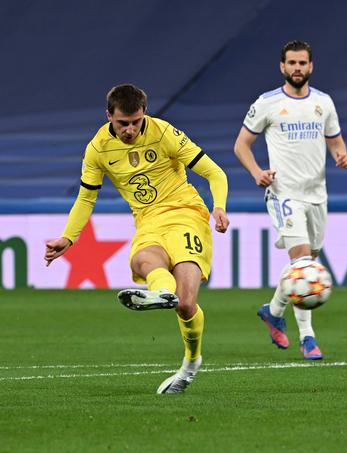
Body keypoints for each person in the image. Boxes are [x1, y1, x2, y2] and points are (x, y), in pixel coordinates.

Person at [44, 84, 229, 393]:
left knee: (186, 305)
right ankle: (160, 293)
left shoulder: (163, 132)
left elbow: (215, 173)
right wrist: (68, 237)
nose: (131, 129)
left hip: (186, 213)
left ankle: (191, 362)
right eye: (123, 123)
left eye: (136, 121)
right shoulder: (98, 149)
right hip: (147, 221)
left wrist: (219, 207)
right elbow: (86, 199)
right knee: (142, 260)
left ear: (144, 114)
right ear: (108, 117)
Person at [233, 40, 347, 360]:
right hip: (284, 194)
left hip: (317, 195)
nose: (297, 68)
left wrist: (341, 157)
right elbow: (241, 145)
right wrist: (257, 172)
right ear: (282, 67)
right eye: (292, 63)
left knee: (307, 264)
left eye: (302, 63)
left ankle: (273, 311)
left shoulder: (324, 103)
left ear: (311, 67)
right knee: (303, 265)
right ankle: (308, 338)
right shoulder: (267, 103)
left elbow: (336, 142)